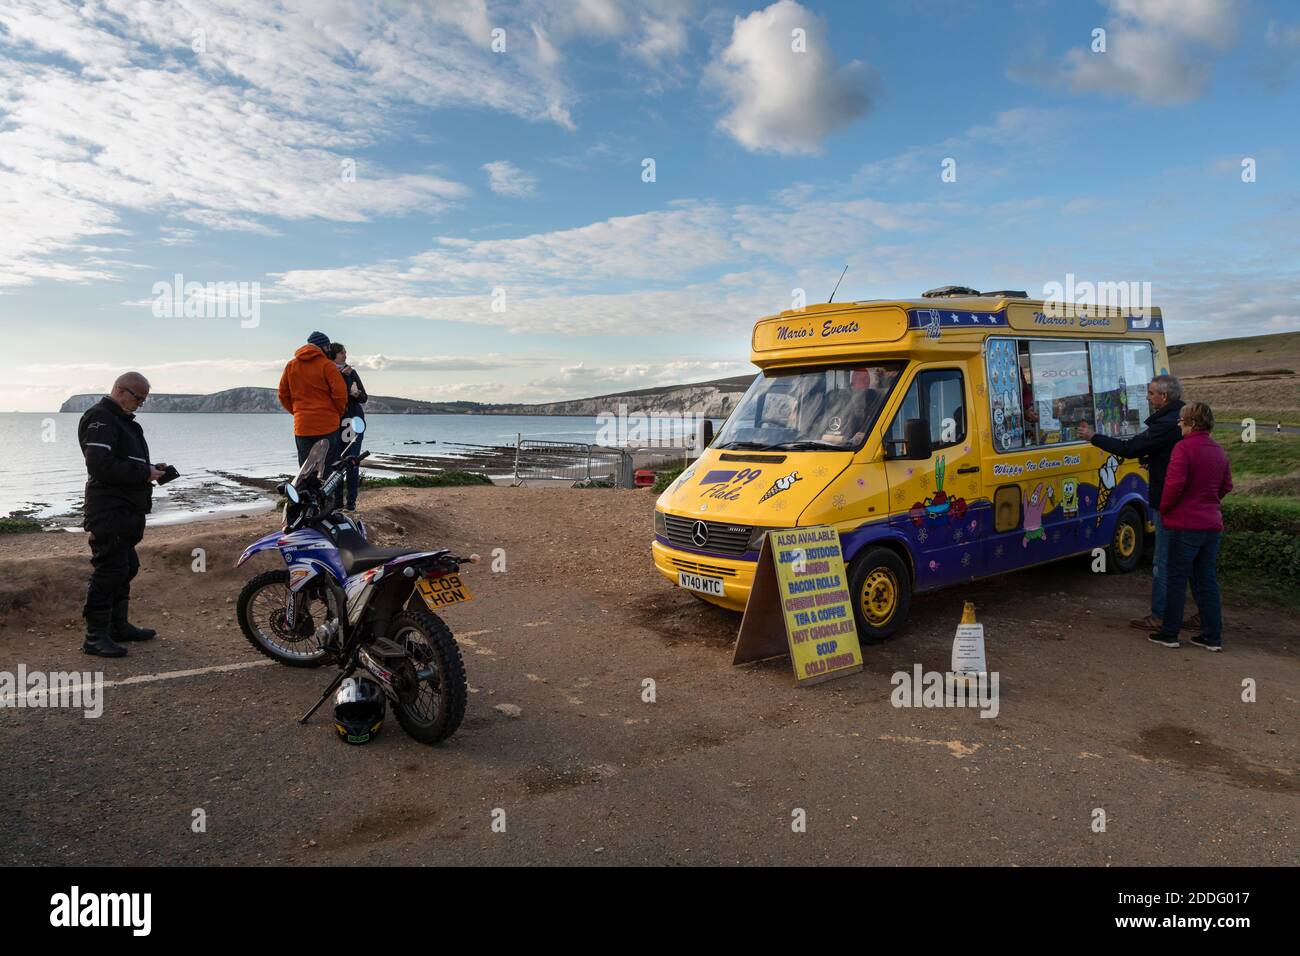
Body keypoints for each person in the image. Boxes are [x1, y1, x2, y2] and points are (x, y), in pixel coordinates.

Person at [1077, 373, 1193, 633]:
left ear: (1164, 396)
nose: (1148, 397)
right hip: (1185, 503)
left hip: (1169, 502)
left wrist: (1093, 437)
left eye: (1151, 393)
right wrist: (1154, 458)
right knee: (1185, 559)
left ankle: (1161, 616)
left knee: (1163, 561)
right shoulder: (1177, 418)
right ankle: (1199, 615)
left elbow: (1130, 448)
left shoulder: (1166, 423)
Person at [78, 372, 166, 658]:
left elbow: (123, 461)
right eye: (138, 398)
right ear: (120, 390)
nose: (140, 404)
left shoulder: (121, 420)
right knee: (110, 569)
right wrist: (144, 472)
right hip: (109, 509)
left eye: (143, 399)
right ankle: (95, 637)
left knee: (127, 566)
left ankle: (118, 626)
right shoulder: (101, 419)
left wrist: (151, 470)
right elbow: (100, 466)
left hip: (127, 508)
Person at [1149, 402, 1232, 651]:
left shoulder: (1183, 449)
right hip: (1211, 524)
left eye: (1182, 419)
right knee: (1206, 580)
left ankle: (1170, 633)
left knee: (1176, 579)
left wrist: (1164, 509)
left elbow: (1173, 486)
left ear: (1192, 423)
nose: (1178, 422)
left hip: (1183, 524)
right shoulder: (1219, 450)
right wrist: (1207, 501)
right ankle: (1212, 636)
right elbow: (1226, 485)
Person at [278, 331, 348, 466]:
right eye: (328, 347)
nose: (329, 350)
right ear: (324, 347)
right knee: (327, 470)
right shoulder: (327, 365)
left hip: (303, 425)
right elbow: (340, 394)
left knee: (305, 472)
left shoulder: (291, 365)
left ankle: (305, 488)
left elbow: (282, 395)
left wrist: (298, 412)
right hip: (327, 425)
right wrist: (336, 413)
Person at [328, 342, 368, 510]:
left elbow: (364, 397)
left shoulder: (352, 372)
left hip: (353, 420)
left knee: (352, 460)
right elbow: (334, 395)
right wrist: (344, 379)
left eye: (345, 352)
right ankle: (337, 503)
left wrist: (356, 394)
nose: (345, 355)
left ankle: (351, 503)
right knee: (336, 462)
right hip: (335, 421)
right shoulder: (327, 372)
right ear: (333, 355)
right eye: (342, 353)